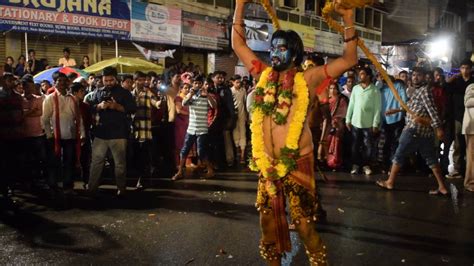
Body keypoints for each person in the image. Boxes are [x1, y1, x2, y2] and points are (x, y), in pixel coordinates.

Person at [232, 0, 357, 264]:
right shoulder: (262, 74)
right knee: (267, 221)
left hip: (298, 160)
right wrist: (240, 5)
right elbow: (238, 46)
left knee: (303, 224)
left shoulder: (308, 78)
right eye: (272, 47)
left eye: (282, 48)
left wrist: (348, 18)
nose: (274, 53)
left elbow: (349, 59)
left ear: (295, 54)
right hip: (267, 163)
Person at [376, 67, 449, 195]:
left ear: (424, 77)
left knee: (399, 154)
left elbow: (432, 111)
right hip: (424, 132)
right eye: (414, 75)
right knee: (431, 159)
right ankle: (442, 187)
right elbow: (411, 107)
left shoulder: (424, 91)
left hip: (413, 129)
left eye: (418, 75)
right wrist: (397, 110)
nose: (415, 77)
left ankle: (390, 182)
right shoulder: (416, 91)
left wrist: (438, 128)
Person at [86, 67, 137, 198]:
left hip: (119, 134)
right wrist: (99, 106)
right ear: (102, 80)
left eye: (111, 80)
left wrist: (118, 107)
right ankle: (92, 188)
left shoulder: (125, 93)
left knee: (119, 163)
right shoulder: (97, 92)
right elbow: (90, 108)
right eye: (106, 80)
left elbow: (132, 109)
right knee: (96, 162)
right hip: (100, 133)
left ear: (116, 79)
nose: (108, 83)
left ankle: (121, 188)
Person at [42, 72, 84, 195]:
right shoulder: (50, 98)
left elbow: (78, 117)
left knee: (69, 162)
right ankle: (53, 186)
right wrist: (49, 135)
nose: (62, 83)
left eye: (64, 81)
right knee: (54, 162)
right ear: (55, 83)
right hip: (55, 136)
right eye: (59, 81)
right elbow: (45, 118)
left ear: (68, 83)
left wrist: (82, 133)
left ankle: (68, 186)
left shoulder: (72, 98)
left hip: (70, 135)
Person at [172, 75, 216, 180]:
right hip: (191, 128)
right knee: (184, 150)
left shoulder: (206, 95)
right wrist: (190, 94)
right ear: (193, 84)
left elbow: (214, 106)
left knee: (201, 152)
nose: (197, 85)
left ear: (202, 84)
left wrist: (208, 95)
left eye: (199, 83)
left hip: (202, 129)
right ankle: (179, 172)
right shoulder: (191, 95)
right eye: (195, 83)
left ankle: (210, 170)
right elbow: (184, 103)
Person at [346, 67, 382, 175]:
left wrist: (375, 124)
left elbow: (377, 109)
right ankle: (356, 165)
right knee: (355, 145)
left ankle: (366, 165)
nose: (359, 76)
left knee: (368, 146)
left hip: (368, 124)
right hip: (355, 122)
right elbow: (351, 105)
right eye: (360, 74)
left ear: (368, 76)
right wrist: (348, 119)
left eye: (362, 74)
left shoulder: (375, 90)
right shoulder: (356, 88)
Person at [445, 59, 473, 179]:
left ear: (471, 69)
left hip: (471, 117)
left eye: (467, 68)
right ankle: (457, 169)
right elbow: (446, 89)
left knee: (470, 145)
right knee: (458, 144)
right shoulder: (456, 81)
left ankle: (469, 171)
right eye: (462, 68)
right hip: (458, 116)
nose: (465, 71)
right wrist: (450, 81)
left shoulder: (472, 82)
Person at [0, 73, 24, 206]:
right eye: (9, 80)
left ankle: (9, 189)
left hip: (14, 135)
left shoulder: (16, 96)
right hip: (3, 135)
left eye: (12, 80)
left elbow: (20, 114)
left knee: (12, 164)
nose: (11, 82)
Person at [131, 71, 156, 189]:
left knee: (143, 156)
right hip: (132, 130)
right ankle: (138, 178)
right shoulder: (130, 94)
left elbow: (155, 102)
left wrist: (159, 102)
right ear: (135, 81)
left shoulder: (148, 93)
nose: (143, 82)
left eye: (144, 80)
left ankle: (142, 179)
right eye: (140, 80)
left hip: (144, 130)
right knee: (134, 157)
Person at [380, 77, 407, 172]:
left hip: (397, 119)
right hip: (384, 120)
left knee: (396, 144)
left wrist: (397, 110)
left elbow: (404, 102)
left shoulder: (398, 86)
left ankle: (394, 167)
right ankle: (385, 165)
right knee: (386, 144)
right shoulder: (382, 87)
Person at [230, 75, 248, 164]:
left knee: (243, 133)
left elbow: (245, 103)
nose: (239, 84)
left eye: (239, 82)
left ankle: (242, 156)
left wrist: (247, 115)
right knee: (235, 132)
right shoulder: (230, 91)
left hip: (242, 115)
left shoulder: (243, 90)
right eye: (237, 82)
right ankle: (237, 152)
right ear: (232, 82)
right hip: (233, 115)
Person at [174, 83, 191, 166]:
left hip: (188, 122)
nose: (187, 89)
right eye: (185, 88)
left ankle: (188, 162)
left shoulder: (189, 98)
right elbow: (178, 110)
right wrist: (190, 114)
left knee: (188, 141)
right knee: (180, 141)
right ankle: (178, 163)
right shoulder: (178, 98)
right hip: (181, 122)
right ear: (180, 89)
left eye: (188, 88)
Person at [462, 83, 474, 192]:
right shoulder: (471, 87)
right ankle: (470, 182)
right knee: (471, 157)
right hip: (472, 128)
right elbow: (467, 102)